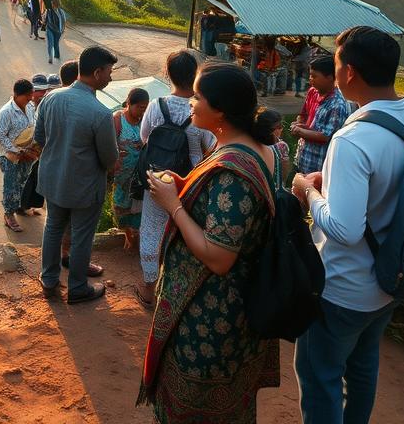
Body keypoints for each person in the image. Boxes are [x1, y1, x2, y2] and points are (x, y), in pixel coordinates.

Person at [139, 63, 280, 423]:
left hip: (212, 314)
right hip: (230, 308)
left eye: (198, 97)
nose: (190, 103)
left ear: (220, 110)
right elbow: (225, 212)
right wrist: (185, 185)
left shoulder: (234, 169)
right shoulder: (245, 146)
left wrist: (173, 205)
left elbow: (218, 258)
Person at [292, 27, 404, 424]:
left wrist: (307, 190)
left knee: (320, 375)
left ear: (350, 73)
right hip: (391, 278)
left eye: (338, 62)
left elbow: (343, 229)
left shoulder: (354, 139)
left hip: (344, 287)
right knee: (362, 368)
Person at [35, 46, 119, 304]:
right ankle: (78, 287)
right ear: (96, 72)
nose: (110, 77)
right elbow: (109, 159)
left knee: (53, 228)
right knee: (82, 236)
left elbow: (39, 137)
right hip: (84, 186)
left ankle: (49, 282)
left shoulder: (51, 98)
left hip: (52, 179)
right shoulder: (100, 112)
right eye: (109, 72)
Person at [137, 51, 216, 306]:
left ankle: (149, 289)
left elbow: (144, 137)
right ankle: (178, 290)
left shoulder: (155, 105)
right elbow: (212, 144)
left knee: (150, 229)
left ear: (167, 73)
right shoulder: (200, 108)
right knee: (186, 231)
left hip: (157, 177)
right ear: (195, 75)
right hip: (189, 180)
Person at [291, 54, 350, 175]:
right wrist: (300, 124)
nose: (310, 79)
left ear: (329, 77)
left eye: (314, 76)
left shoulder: (336, 105)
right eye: (310, 75)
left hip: (318, 164)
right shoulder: (313, 92)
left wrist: (299, 131)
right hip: (304, 155)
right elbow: (304, 116)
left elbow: (324, 136)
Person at [0, 79, 37, 232]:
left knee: (24, 182)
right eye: (27, 96)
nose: (30, 98)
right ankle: (9, 215)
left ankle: (21, 207)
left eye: (31, 95)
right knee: (11, 186)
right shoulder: (6, 112)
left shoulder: (30, 107)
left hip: (28, 154)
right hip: (11, 156)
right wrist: (17, 150)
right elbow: (0, 135)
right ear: (16, 95)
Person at [111, 88, 149, 250]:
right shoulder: (118, 120)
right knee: (122, 207)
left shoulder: (145, 121)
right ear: (128, 104)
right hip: (122, 177)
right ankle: (128, 236)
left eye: (146, 107)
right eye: (140, 107)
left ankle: (138, 238)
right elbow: (109, 145)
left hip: (139, 175)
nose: (143, 111)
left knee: (140, 207)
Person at [255, 107, 292, 182]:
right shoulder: (281, 147)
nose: (282, 129)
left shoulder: (250, 145)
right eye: (279, 126)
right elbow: (284, 176)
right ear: (269, 130)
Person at [44, 0, 66, 64]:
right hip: (49, 29)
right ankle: (50, 57)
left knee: (56, 44)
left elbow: (64, 21)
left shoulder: (61, 12)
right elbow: (45, 19)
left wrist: (62, 29)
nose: (52, 5)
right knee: (50, 43)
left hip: (58, 31)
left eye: (53, 3)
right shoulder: (48, 11)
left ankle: (57, 55)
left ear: (55, 4)